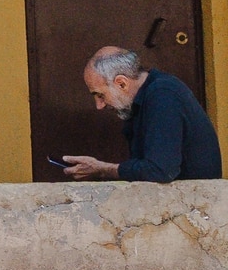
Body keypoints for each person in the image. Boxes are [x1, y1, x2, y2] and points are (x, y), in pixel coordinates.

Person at [62, 46, 222, 183]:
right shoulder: (142, 99)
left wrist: (102, 169)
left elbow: (159, 171)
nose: (99, 105)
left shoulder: (163, 95)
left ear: (121, 83)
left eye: (100, 95)